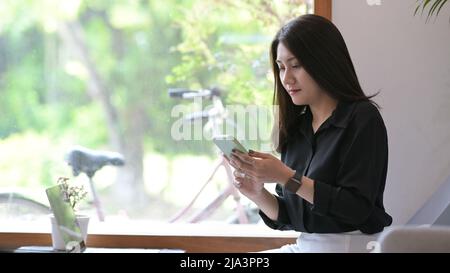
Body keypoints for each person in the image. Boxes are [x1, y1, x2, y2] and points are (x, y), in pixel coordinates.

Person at [227, 14, 393, 253]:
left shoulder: (362, 118)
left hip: (351, 247)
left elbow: (355, 209)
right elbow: (291, 216)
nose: (286, 78)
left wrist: (287, 176)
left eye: (295, 66)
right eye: (281, 67)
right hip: (306, 246)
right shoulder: (297, 128)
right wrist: (257, 194)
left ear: (324, 62)